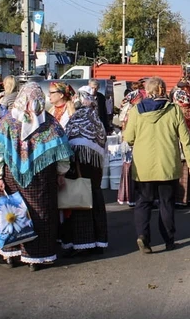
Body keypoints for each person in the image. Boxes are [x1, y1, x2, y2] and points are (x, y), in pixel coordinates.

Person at [0, 83, 74, 270]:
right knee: (41, 213)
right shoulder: (50, 123)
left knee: (13, 211)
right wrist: (61, 173)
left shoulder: (7, 122)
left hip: (12, 174)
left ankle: (13, 253)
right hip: (42, 175)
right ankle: (37, 256)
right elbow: (63, 153)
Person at [122, 77, 190, 254]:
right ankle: (169, 239)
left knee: (143, 202)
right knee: (166, 203)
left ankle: (143, 237)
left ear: (147, 91)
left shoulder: (136, 110)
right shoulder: (173, 110)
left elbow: (129, 138)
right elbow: (185, 139)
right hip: (167, 164)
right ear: (164, 90)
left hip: (143, 166)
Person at [59, 86, 109, 255]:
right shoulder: (97, 122)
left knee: (80, 207)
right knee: (96, 204)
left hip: (79, 172)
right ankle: (98, 242)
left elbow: (68, 146)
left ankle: (82, 244)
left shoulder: (75, 121)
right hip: (95, 173)